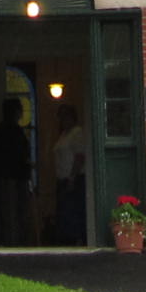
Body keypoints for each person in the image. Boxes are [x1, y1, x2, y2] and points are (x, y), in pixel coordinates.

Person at [0, 102, 33, 248]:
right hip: (11, 178)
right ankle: (14, 242)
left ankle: (13, 241)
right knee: (13, 212)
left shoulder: (1, 131)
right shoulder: (12, 131)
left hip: (10, 177)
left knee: (11, 212)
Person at [51, 102, 89, 246]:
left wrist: (72, 178)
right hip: (62, 179)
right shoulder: (63, 135)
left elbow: (79, 156)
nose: (62, 120)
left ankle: (77, 240)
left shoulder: (77, 133)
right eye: (60, 117)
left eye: (64, 116)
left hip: (73, 179)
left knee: (73, 211)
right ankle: (68, 241)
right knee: (65, 213)